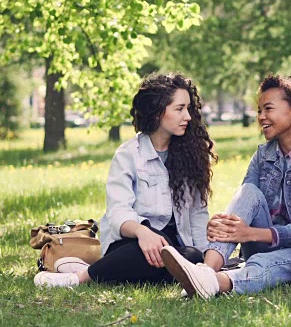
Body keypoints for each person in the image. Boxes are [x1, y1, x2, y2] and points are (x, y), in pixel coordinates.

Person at [161, 75, 291, 298]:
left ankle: (213, 282)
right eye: (259, 111)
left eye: (268, 109)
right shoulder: (263, 156)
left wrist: (250, 233)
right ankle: (206, 270)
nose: (261, 117)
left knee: (263, 261)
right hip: (260, 240)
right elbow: (246, 205)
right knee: (248, 191)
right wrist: (223, 225)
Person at [34, 73, 216, 287]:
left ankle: (110, 271)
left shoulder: (190, 154)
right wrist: (143, 232)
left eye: (188, 109)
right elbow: (118, 212)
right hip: (131, 242)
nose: (187, 116)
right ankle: (79, 278)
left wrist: (208, 263)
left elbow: (197, 214)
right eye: (179, 109)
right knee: (156, 248)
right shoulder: (129, 154)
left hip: (173, 248)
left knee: (192, 256)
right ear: (157, 112)